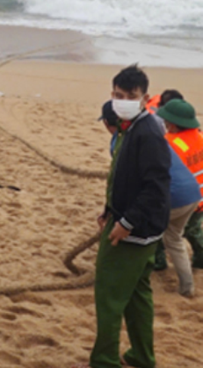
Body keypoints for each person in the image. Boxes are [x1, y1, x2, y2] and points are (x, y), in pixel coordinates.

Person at [73, 65, 170, 368]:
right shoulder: (129, 127)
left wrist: (125, 223)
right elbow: (122, 177)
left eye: (131, 95)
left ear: (144, 98)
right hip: (134, 223)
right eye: (118, 94)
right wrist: (109, 210)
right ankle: (142, 356)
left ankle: (104, 360)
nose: (123, 100)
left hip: (135, 229)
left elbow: (155, 188)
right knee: (138, 295)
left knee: (109, 296)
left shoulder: (149, 132)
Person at [102, 101, 200, 297]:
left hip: (171, 197)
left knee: (139, 231)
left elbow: (126, 184)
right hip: (193, 194)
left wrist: (114, 214)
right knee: (174, 239)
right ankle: (187, 287)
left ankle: (138, 274)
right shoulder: (150, 133)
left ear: (106, 123)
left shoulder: (121, 141)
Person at [157, 99, 203, 271]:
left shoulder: (172, 144)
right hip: (199, 197)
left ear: (174, 124)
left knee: (161, 231)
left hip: (182, 199)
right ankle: (201, 258)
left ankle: (159, 262)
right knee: (194, 231)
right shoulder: (199, 136)